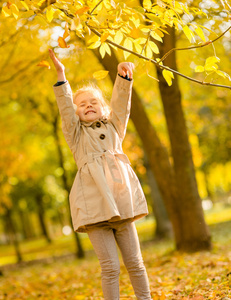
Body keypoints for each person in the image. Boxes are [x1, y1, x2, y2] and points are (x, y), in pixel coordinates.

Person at [49, 49, 151, 300]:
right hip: (95, 208)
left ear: (102, 107)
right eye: (82, 104)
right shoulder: (76, 135)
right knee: (110, 268)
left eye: (94, 102)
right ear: (77, 113)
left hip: (120, 201)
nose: (88, 106)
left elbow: (121, 106)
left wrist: (123, 79)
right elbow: (65, 109)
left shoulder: (114, 127)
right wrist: (61, 76)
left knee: (136, 264)